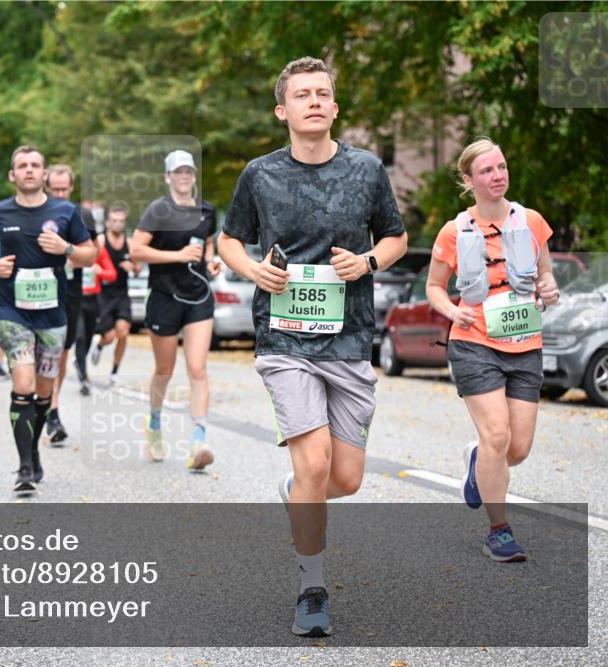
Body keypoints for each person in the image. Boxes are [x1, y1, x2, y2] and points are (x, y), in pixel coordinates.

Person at [218, 56, 407, 637]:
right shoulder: (260, 174)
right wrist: (254, 270)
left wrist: (368, 261)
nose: (315, 101)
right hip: (284, 338)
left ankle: (297, 492)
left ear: (335, 106)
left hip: (349, 338)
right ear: (283, 110)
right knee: (316, 460)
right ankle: (312, 589)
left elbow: (396, 237)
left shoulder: (368, 169)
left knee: (344, 478)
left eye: (323, 93)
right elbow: (228, 240)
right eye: (303, 95)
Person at [426, 137, 559, 563]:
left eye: (501, 167)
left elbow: (545, 277)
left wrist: (549, 288)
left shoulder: (532, 222)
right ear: (468, 180)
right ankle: (498, 531)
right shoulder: (455, 231)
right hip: (475, 344)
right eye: (486, 170)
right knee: (497, 435)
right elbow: (433, 288)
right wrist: (452, 311)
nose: (497, 175)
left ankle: (477, 459)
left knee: (516, 449)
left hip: (525, 344)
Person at [0, 145, 96, 492]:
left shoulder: (66, 211)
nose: (29, 170)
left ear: (44, 174)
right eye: (22, 166)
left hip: (53, 314)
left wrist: (67, 249)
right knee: (23, 385)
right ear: (13, 175)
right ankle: (25, 467)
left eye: (35, 165)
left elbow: (90, 255)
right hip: (12, 310)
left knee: (44, 392)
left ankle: (33, 452)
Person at [130, 149, 221, 469]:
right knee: (165, 370)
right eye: (177, 172)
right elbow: (136, 249)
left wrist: (211, 262)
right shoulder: (158, 210)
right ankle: (153, 425)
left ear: (194, 175)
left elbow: (207, 244)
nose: (184, 176)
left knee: (197, 368)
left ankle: (199, 440)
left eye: (189, 171)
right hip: (164, 297)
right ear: (168, 177)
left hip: (198, 297)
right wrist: (178, 256)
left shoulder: (206, 210)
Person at [44, 164, 99, 442]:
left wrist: (69, 252)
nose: (61, 193)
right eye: (55, 189)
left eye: (65, 188)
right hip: (36, 290)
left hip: (70, 290)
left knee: (60, 352)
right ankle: (38, 397)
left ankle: (52, 411)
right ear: (46, 187)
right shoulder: (36, 212)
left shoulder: (82, 214)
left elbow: (93, 252)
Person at [90, 205, 140, 384]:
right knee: (109, 336)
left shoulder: (130, 243)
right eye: (115, 221)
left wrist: (133, 267)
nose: (118, 224)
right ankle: (100, 346)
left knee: (123, 332)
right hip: (103, 295)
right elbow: (91, 262)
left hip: (122, 293)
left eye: (121, 221)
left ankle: (115, 371)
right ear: (107, 222)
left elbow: (138, 268)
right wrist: (97, 270)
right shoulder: (101, 241)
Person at [73, 224, 117, 395]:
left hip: (93, 301)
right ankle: (84, 378)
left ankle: (80, 361)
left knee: (89, 336)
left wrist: (100, 272)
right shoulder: (72, 249)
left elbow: (112, 274)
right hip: (77, 299)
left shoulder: (98, 252)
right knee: (80, 337)